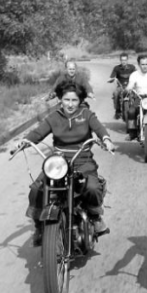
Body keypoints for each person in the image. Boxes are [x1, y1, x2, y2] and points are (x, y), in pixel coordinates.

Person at [16, 79, 116, 246]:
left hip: (82, 160)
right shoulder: (54, 117)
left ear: (80, 101)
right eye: (66, 100)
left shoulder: (86, 115)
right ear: (60, 99)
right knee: (36, 189)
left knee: (92, 187)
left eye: (74, 100)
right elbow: (38, 132)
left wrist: (106, 139)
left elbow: (99, 128)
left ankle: (95, 216)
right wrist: (24, 141)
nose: (70, 104)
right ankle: (40, 226)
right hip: (58, 163)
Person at [107, 53, 136, 119]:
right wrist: (111, 79)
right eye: (122, 60)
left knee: (138, 94)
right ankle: (118, 111)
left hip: (131, 87)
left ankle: (137, 110)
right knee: (115, 93)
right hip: (120, 87)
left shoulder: (132, 67)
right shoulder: (116, 68)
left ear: (127, 60)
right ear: (120, 60)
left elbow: (137, 75)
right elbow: (111, 77)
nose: (124, 62)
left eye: (125, 60)